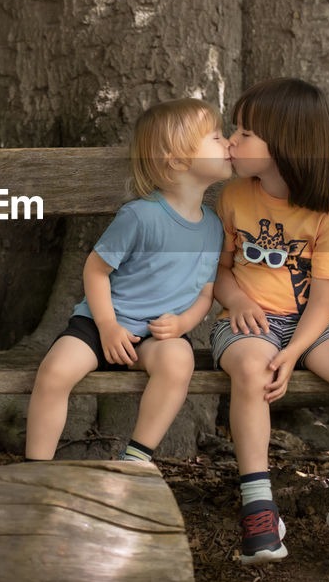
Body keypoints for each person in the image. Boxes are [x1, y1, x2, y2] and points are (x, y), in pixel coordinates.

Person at [212, 77, 329, 566]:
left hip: (314, 323)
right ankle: (258, 506)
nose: (232, 141)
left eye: (244, 134)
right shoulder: (234, 196)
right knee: (252, 370)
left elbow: (324, 299)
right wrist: (235, 302)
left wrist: (295, 352)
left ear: (285, 145)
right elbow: (218, 270)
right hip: (248, 322)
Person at [25, 98, 230, 465]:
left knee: (179, 361)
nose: (228, 142)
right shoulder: (140, 215)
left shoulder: (214, 227)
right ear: (178, 160)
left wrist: (183, 324)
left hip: (155, 336)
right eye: (215, 137)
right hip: (100, 326)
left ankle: (136, 456)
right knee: (54, 372)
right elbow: (96, 269)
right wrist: (106, 326)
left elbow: (205, 292)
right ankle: (36, 467)